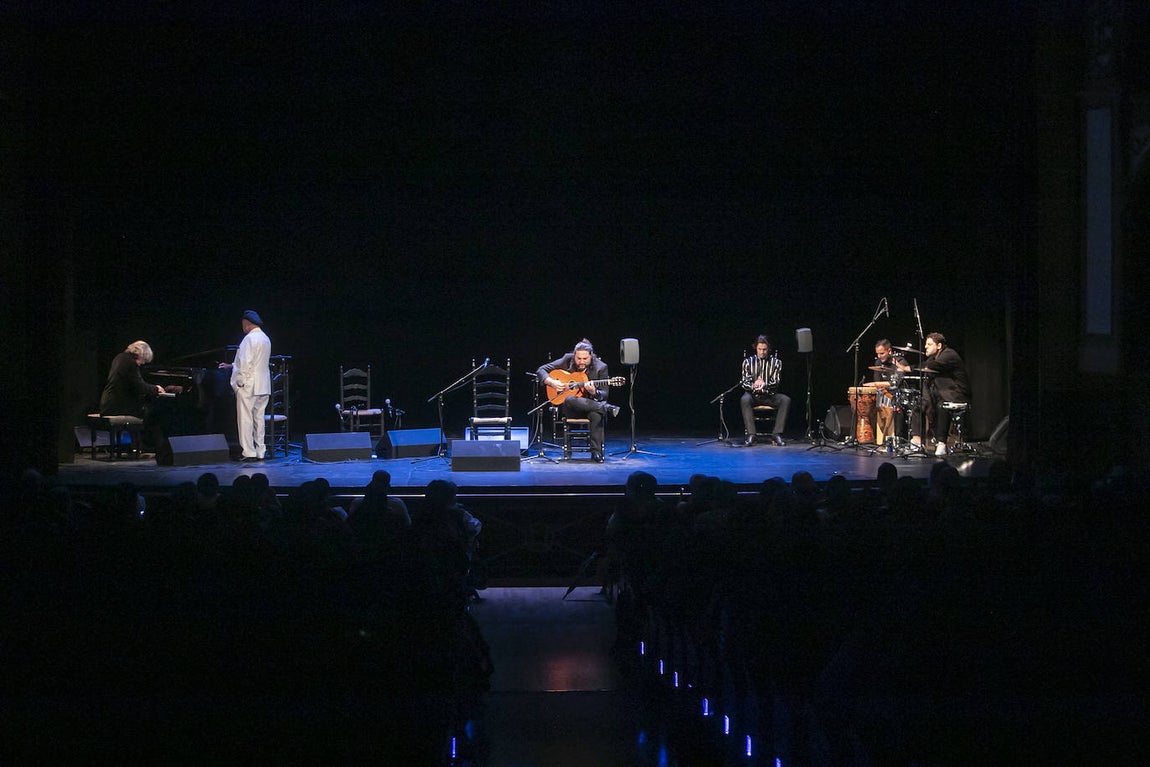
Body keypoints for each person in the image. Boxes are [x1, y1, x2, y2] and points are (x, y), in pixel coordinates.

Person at [537, 339, 621, 463]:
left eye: (585, 359)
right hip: (572, 408)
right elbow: (541, 370)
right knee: (570, 398)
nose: (581, 362)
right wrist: (552, 382)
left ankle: (596, 453)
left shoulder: (601, 367)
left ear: (591, 356)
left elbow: (604, 394)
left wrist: (594, 392)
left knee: (596, 414)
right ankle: (606, 408)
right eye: (578, 358)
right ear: (574, 355)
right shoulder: (567, 359)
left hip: (591, 406)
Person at [219, 310, 271, 461]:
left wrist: (239, 383)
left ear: (247, 324)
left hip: (248, 385)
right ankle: (261, 450)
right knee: (259, 419)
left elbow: (245, 363)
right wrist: (231, 366)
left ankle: (248, 452)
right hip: (263, 385)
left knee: (245, 419)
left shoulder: (249, 339)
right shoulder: (265, 338)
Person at [920, 332, 971, 457]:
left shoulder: (948, 354)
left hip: (959, 394)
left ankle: (941, 443)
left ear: (939, 345)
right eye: (926, 344)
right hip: (947, 393)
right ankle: (917, 440)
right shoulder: (935, 357)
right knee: (921, 404)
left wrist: (909, 367)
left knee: (941, 405)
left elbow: (931, 365)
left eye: (929, 344)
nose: (926, 347)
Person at [739, 335, 790, 446]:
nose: (762, 352)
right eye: (760, 349)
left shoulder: (776, 362)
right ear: (755, 348)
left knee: (785, 400)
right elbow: (744, 383)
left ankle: (776, 434)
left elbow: (776, 382)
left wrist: (765, 384)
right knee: (744, 399)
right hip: (753, 396)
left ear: (768, 349)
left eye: (764, 349)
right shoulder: (748, 362)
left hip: (769, 396)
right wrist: (753, 385)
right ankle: (752, 434)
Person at [99, 340, 165, 418]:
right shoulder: (131, 363)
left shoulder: (119, 357)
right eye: (144, 360)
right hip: (118, 406)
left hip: (107, 403)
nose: (142, 363)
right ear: (141, 354)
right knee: (151, 415)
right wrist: (156, 388)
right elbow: (140, 387)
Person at [871, 338, 912, 445]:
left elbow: (897, 382)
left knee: (897, 404)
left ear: (889, 351)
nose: (879, 356)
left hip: (899, 395)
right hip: (884, 394)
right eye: (877, 354)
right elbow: (877, 382)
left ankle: (898, 438)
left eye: (882, 353)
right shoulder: (878, 362)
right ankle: (879, 438)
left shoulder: (900, 362)